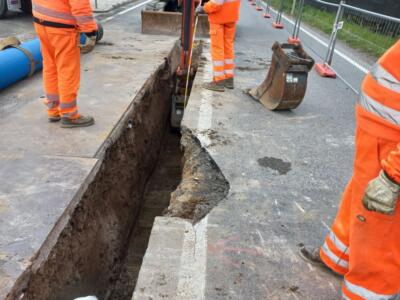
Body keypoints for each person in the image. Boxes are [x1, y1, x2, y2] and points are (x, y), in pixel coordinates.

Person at [301, 40, 400, 299]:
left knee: (378, 225)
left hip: (392, 141)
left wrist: (394, 175)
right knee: (360, 195)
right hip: (380, 127)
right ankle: (337, 258)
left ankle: (365, 293)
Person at [32, 0, 98, 128]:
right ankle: (69, 115)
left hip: (41, 21)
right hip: (62, 29)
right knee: (67, 70)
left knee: (50, 66)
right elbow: (80, 4)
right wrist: (90, 31)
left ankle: (53, 109)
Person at [196, 0, 240, 92]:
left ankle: (218, 81)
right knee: (228, 48)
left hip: (218, 18)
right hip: (231, 17)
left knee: (217, 49)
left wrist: (204, 8)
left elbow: (217, 3)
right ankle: (229, 79)